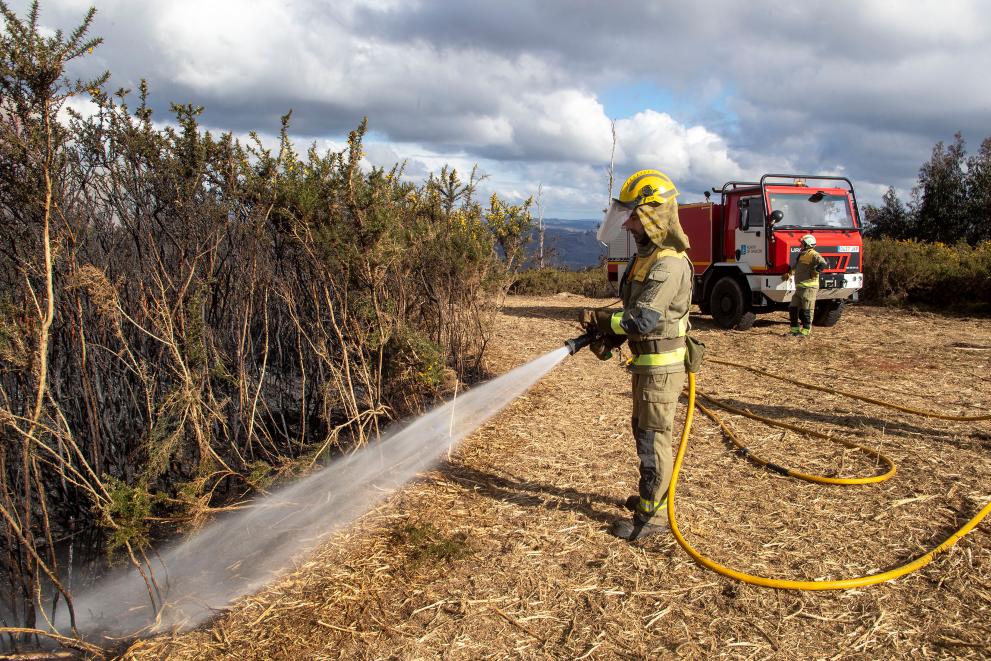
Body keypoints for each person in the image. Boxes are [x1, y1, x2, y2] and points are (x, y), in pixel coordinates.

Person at [580, 169, 693, 541]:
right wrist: (608, 338)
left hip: (661, 368)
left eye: (632, 217)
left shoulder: (669, 263)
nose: (627, 226)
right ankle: (650, 500)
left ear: (653, 215)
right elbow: (633, 310)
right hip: (647, 365)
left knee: (653, 439)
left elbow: (643, 318)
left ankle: (653, 521)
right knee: (643, 432)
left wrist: (602, 320)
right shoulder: (645, 258)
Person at [787, 234, 828, 336]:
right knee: (793, 307)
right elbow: (796, 267)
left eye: (802, 243)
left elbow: (823, 264)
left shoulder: (813, 254)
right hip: (800, 287)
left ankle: (805, 331)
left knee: (807, 310)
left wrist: (816, 271)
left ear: (807, 244)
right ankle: (795, 330)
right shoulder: (802, 254)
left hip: (809, 287)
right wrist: (788, 273)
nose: (800, 245)